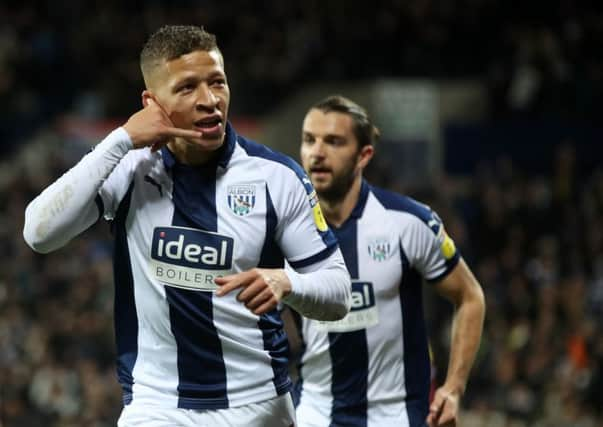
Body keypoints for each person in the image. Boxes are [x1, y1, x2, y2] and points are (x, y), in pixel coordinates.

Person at [23, 25, 351, 427]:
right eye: (187, 88)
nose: (209, 100)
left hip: (259, 405)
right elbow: (38, 233)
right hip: (157, 406)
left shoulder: (277, 178)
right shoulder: (128, 169)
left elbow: (339, 292)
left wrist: (287, 283)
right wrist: (122, 138)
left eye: (218, 82)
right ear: (151, 102)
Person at [291, 95, 486, 427]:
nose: (317, 153)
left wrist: (453, 388)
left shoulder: (408, 222)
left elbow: (470, 297)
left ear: (364, 155)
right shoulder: (284, 229)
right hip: (313, 414)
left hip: (397, 416)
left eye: (334, 142)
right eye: (310, 140)